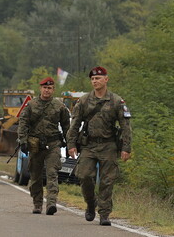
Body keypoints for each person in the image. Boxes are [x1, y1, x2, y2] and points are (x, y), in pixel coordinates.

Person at [67, 66, 132, 226]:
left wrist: (126, 147)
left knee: (107, 181)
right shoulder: (83, 101)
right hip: (88, 146)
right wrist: (71, 144)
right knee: (84, 176)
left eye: (98, 78)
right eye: (93, 79)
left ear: (106, 79)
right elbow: (74, 124)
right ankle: (90, 203)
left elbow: (126, 126)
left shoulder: (117, 101)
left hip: (109, 145)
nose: (95, 81)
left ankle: (104, 214)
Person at [17, 77, 70, 215]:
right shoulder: (31, 105)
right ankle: (37, 203)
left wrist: (70, 144)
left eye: (50, 88)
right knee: (35, 175)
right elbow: (23, 123)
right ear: (40, 89)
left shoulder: (59, 106)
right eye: (45, 88)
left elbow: (66, 126)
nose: (47, 90)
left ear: (53, 90)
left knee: (52, 173)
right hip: (36, 145)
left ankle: (51, 203)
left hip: (53, 143)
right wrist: (22, 141)